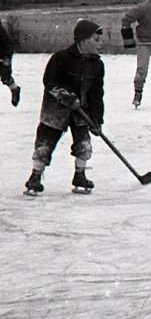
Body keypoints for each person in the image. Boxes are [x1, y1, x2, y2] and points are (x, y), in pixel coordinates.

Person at [24, 19, 106, 196]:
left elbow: (96, 94)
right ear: (83, 41)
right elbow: (50, 82)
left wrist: (97, 120)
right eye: (96, 40)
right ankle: (35, 176)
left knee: (84, 144)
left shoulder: (97, 65)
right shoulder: (61, 58)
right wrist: (66, 97)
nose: (101, 44)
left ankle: (80, 175)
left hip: (81, 111)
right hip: (55, 110)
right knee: (44, 144)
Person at [1, 20, 18, 107]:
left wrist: (7, 59)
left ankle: (15, 89)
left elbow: (8, 45)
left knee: (5, 77)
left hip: (3, 56)